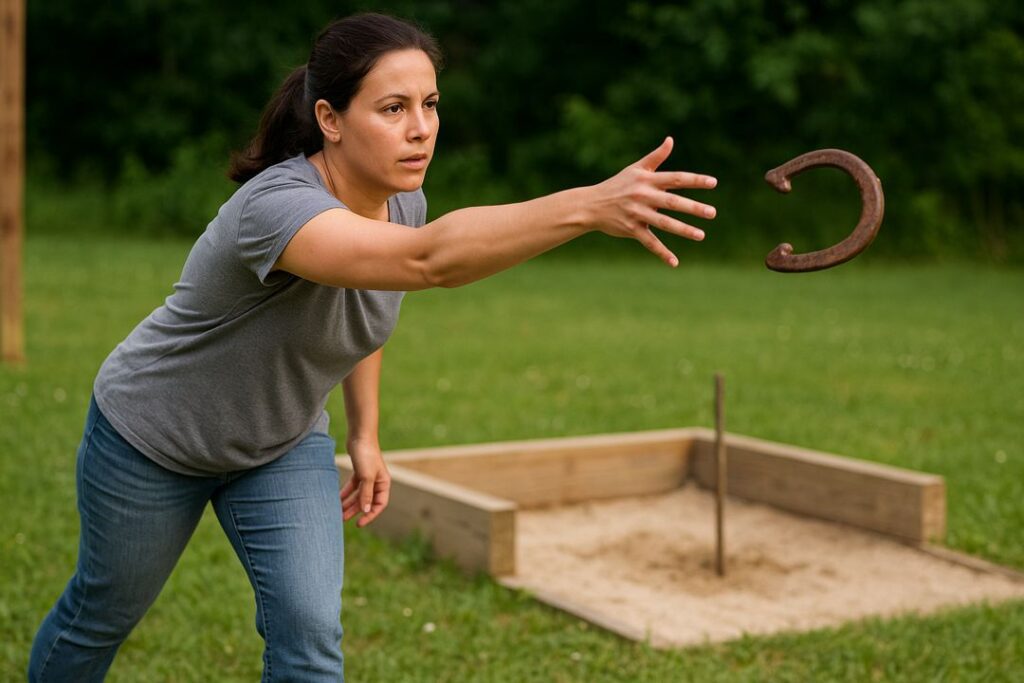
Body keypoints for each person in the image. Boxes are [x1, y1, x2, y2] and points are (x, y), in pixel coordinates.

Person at [28, 11, 716, 682]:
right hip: (153, 439)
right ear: (330, 118)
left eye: (430, 104)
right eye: (393, 109)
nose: (421, 130)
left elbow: (366, 309)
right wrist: (588, 206)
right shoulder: (277, 209)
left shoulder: (400, 201)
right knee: (103, 616)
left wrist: (366, 432)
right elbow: (427, 264)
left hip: (277, 444)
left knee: (312, 633)